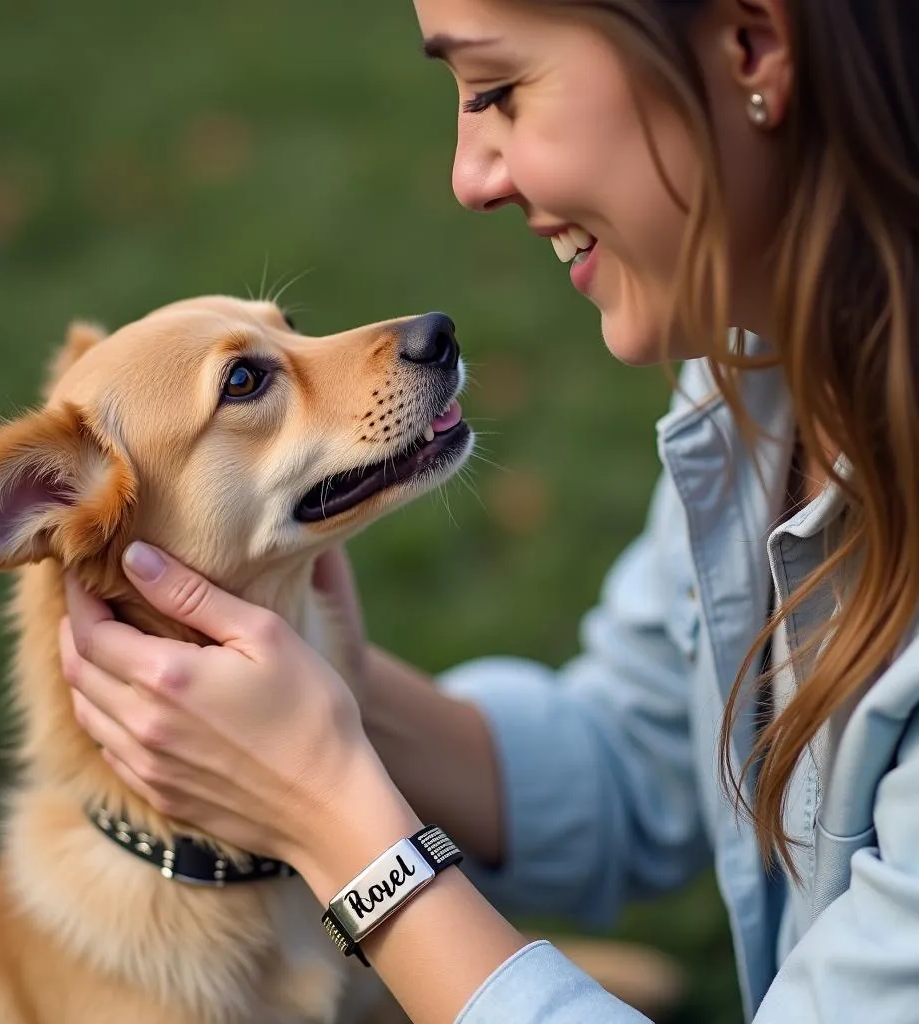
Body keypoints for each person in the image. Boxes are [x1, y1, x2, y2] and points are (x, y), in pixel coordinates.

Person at [61, 0, 919, 1020]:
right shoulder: (753, 368)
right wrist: (323, 687)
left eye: (498, 89)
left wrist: (338, 823)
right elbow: (643, 762)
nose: (469, 176)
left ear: (750, 44)